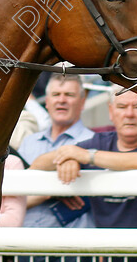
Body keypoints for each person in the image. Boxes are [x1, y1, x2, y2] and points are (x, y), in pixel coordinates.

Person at [38, 88, 137, 262]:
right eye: (122, 106)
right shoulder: (100, 142)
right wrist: (68, 159)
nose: (129, 114)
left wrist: (87, 156)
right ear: (111, 111)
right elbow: (39, 163)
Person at [19, 75, 96, 229]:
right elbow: (11, 198)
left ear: (82, 102)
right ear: (46, 102)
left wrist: (35, 192)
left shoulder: (95, 142)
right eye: (56, 95)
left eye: (69, 95)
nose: (62, 100)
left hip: (74, 246)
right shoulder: (28, 143)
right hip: (22, 244)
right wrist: (51, 191)